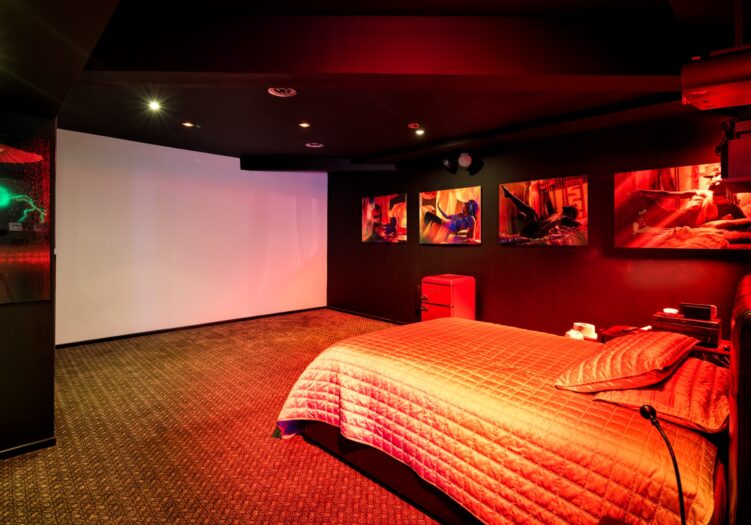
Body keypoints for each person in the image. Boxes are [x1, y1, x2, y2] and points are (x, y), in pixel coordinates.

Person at [501, 185, 580, 238]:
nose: (568, 204)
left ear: (571, 213)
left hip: (539, 232)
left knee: (530, 211)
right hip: (537, 227)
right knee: (530, 212)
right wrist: (546, 194)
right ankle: (508, 195)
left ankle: (509, 195)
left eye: (570, 206)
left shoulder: (565, 217)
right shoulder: (556, 213)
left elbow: (577, 224)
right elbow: (549, 206)